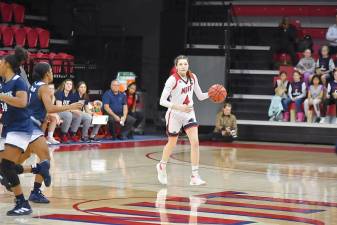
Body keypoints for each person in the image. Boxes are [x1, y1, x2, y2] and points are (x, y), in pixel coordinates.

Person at [21, 62, 82, 203]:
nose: (52, 73)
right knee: (45, 159)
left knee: (22, 158)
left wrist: (44, 117)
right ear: (47, 73)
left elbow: (37, 107)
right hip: (32, 126)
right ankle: (35, 191)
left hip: (28, 124)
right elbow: (49, 107)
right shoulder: (44, 88)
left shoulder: (34, 85)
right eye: (51, 71)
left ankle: (6, 172)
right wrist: (70, 106)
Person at [0, 48, 50, 216]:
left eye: (0, 62)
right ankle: (37, 168)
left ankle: (23, 203)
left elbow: (22, 102)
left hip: (20, 127)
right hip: (8, 127)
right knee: (4, 167)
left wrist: (1, 96)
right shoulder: (3, 83)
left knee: (6, 167)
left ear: (6, 65)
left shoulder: (18, 81)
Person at [156, 55, 209, 186]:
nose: (183, 66)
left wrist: (212, 93)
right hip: (174, 114)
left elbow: (201, 96)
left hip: (189, 113)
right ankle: (162, 166)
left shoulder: (193, 77)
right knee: (172, 143)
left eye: (185, 64)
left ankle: (194, 176)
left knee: (195, 143)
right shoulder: (172, 80)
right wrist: (179, 107)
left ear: (188, 65)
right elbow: (162, 101)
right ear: (176, 66)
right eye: (180, 64)